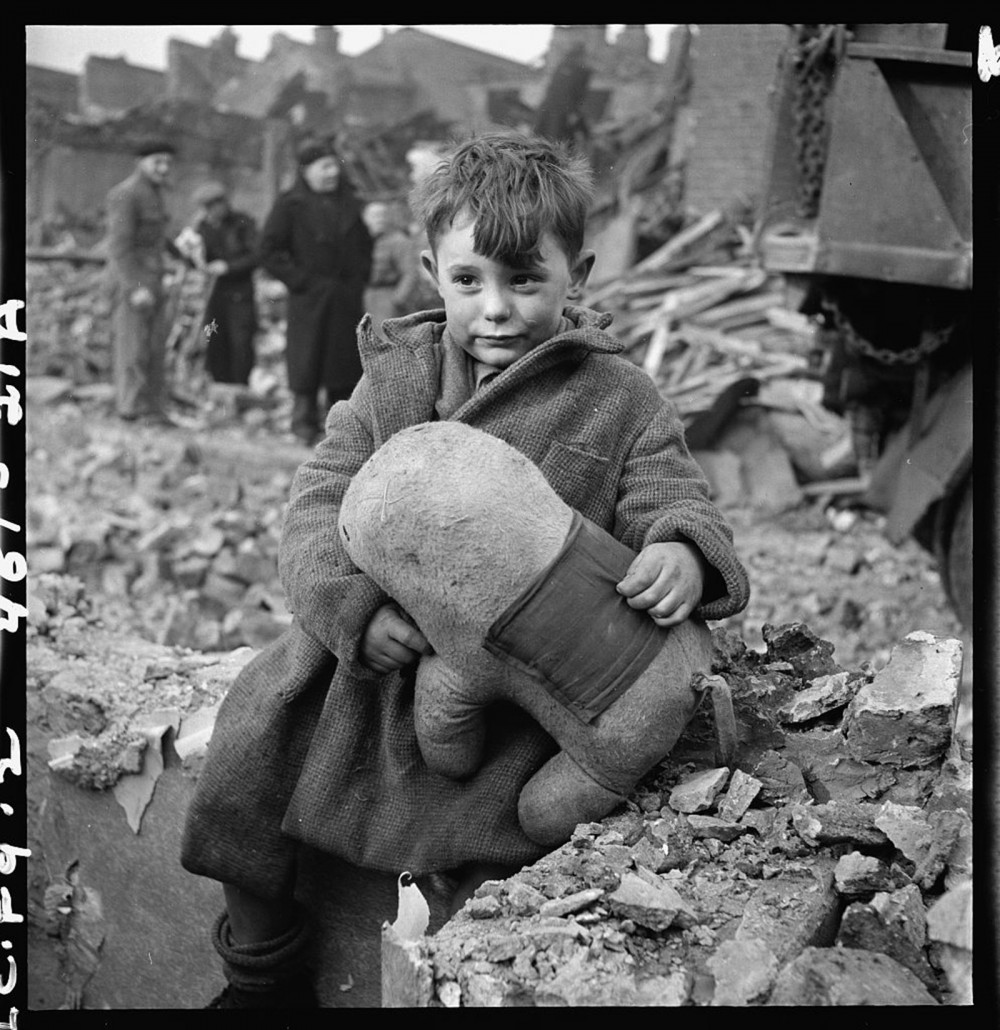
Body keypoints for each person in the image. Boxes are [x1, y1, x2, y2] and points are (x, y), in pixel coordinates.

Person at [180, 131, 751, 1009]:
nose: (496, 311)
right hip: (369, 663)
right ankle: (261, 973)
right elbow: (316, 501)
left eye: (526, 281)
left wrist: (677, 545)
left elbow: (670, 488)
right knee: (253, 754)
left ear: (579, 274)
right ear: (429, 272)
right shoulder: (393, 382)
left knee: (492, 834)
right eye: (469, 281)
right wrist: (352, 608)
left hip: (509, 685)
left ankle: (448, 973)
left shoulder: (616, 396)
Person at [258, 137, 373, 445]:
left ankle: (340, 429)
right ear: (306, 171)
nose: (332, 173)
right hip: (310, 297)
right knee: (307, 360)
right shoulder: (290, 204)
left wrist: (359, 277)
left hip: (345, 295)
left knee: (343, 363)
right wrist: (300, 281)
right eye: (324, 167)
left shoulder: (349, 201)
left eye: (334, 166)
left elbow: (364, 245)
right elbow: (268, 250)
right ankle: (303, 424)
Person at [104, 137, 181, 424]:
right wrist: (135, 288)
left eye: (167, 163)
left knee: (153, 348)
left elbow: (156, 238)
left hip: (154, 279)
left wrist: (180, 252)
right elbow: (119, 247)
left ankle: (150, 409)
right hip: (132, 282)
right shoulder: (126, 194)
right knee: (132, 347)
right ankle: (130, 410)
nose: (163, 168)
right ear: (141, 163)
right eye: (157, 162)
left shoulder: (155, 193)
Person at [187, 181, 260, 386]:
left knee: (241, 342)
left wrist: (228, 266)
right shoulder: (202, 228)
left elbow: (256, 255)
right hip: (213, 296)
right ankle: (218, 384)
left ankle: (240, 386)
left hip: (239, 295)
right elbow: (197, 258)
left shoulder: (243, 223)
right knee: (214, 338)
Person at [361, 201, 420, 333]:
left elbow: (410, 273)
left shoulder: (399, 241)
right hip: (362, 295)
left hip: (386, 296)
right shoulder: (358, 241)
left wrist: (397, 299)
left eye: (383, 215)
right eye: (375, 215)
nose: (380, 219)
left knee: (384, 340)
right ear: (365, 217)